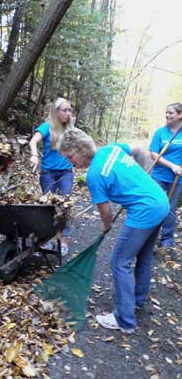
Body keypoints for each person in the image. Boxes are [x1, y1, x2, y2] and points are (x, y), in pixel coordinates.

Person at [58, 128, 169, 334]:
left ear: (81, 149)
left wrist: (106, 226)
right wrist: (144, 174)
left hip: (145, 210)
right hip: (160, 201)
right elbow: (138, 149)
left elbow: (105, 211)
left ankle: (125, 320)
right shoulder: (111, 149)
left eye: (70, 156)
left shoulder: (94, 175)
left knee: (120, 261)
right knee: (144, 255)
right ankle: (137, 300)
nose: (69, 162)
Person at [29, 98, 74, 255]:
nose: (68, 114)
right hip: (48, 173)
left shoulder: (71, 129)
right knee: (48, 207)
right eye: (64, 110)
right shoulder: (47, 126)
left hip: (66, 173)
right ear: (56, 112)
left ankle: (62, 239)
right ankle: (46, 238)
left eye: (69, 110)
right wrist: (34, 155)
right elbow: (33, 141)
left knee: (64, 206)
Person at [149, 102, 182, 250]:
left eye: (171, 113)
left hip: (177, 179)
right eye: (167, 112)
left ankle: (166, 241)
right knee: (154, 205)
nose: (167, 115)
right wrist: (172, 166)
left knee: (170, 209)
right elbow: (153, 154)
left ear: (180, 115)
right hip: (158, 176)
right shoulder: (160, 132)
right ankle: (148, 236)